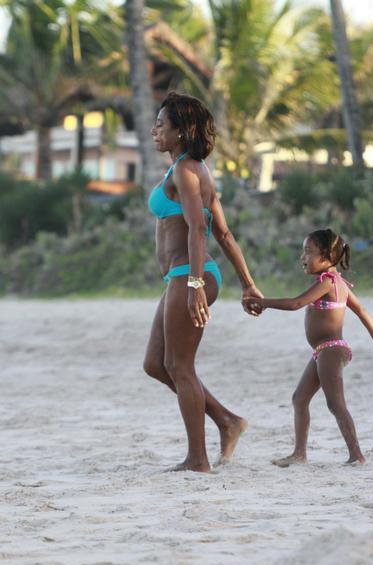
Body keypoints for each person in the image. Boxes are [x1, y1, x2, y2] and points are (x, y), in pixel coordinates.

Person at [143, 91, 263, 473]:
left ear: (180, 130)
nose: (154, 130)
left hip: (189, 276)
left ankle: (198, 459)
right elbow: (224, 233)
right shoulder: (189, 169)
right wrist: (248, 284)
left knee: (180, 366)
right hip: (182, 276)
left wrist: (195, 284)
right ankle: (227, 420)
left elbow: (199, 228)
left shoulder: (186, 170)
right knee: (156, 364)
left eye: (161, 125)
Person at [243, 228, 373, 466]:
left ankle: (356, 455)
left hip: (331, 349)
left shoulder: (328, 282)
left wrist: (263, 302)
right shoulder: (339, 283)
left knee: (335, 403)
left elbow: (296, 303)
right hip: (323, 351)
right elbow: (361, 311)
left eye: (309, 251)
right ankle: (299, 454)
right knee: (300, 398)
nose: (303, 257)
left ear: (328, 256)